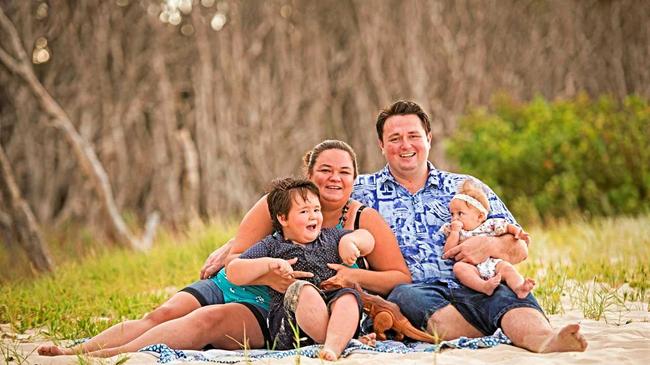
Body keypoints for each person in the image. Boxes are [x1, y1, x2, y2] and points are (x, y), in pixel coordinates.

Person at [39, 140, 411, 357]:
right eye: (325, 170)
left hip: (269, 306)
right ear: (309, 173)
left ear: (354, 178)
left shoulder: (359, 220)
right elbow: (237, 259)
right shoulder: (279, 203)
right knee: (163, 314)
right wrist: (260, 266)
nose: (334, 178)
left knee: (202, 323)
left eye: (344, 171)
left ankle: (112, 357)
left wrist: (350, 274)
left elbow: (397, 276)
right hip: (238, 283)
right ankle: (79, 353)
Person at [352, 100, 587, 353]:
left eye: (413, 136)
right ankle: (501, 331)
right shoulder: (360, 191)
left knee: (508, 292)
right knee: (405, 297)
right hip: (417, 293)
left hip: (479, 282)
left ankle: (544, 340)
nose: (405, 145)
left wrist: (489, 244)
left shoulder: (466, 186)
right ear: (381, 145)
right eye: (395, 138)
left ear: (429, 138)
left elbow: (520, 248)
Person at [228, 177, 374, 360]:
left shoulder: (331, 237)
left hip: (331, 304)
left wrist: (351, 241)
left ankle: (333, 348)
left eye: (316, 210)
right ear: (283, 218)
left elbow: (368, 238)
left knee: (348, 297)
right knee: (302, 290)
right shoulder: (272, 245)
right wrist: (267, 264)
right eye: (304, 211)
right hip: (291, 323)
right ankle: (336, 341)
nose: (313, 216)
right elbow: (233, 271)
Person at [441, 179, 535, 299]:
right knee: (459, 268)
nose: (454, 218)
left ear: (480, 216)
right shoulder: (456, 231)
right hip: (471, 266)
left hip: (493, 262)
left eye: (460, 214)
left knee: (507, 269)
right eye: (452, 214)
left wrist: (518, 233)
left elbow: (506, 227)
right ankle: (484, 286)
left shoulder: (489, 225)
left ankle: (519, 287)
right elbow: (448, 251)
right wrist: (454, 232)